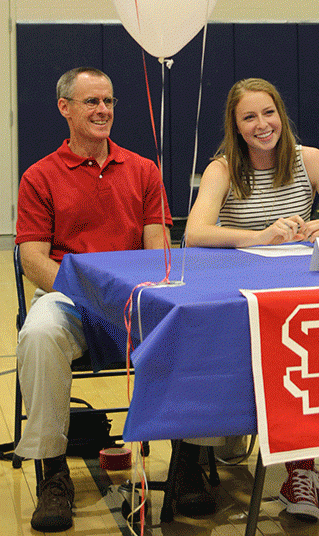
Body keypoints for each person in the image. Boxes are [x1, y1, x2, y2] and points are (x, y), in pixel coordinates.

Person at [15, 67, 210, 531]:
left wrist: (138, 299)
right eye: (91, 102)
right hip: (70, 303)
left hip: (134, 302)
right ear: (65, 108)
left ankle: (189, 460)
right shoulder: (39, 177)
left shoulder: (143, 170)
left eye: (109, 102)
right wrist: (90, 298)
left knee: (197, 332)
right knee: (39, 335)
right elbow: (33, 260)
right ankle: (53, 472)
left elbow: (157, 248)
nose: (103, 110)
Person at [185, 77, 319, 520]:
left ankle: (302, 468)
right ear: (236, 125)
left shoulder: (311, 160)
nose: (262, 124)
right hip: (242, 296)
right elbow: (194, 233)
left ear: (281, 116)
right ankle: (300, 470)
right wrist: (260, 236)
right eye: (249, 117)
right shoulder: (224, 168)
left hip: (299, 292)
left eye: (268, 113)